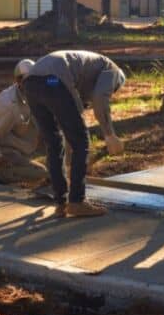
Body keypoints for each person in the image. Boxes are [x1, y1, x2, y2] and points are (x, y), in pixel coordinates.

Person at [21, 50, 126, 218]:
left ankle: (60, 203)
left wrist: (75, 160)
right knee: (82, 142)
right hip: (53, 80)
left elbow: (73, 108)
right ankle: (77, 201)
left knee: (54, 143)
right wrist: (110, 135)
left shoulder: (86, 71)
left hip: (31, 84)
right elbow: (100, 98)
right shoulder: (112, 70)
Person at [0, 59, 47, 186]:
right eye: (29, 81)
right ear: (19, 81)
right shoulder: (8, 105)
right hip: (4, 159)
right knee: (45, 175)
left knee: (52, 172)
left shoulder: (33, 96)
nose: (34, 85)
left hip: (19, 155)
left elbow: (55, 82)